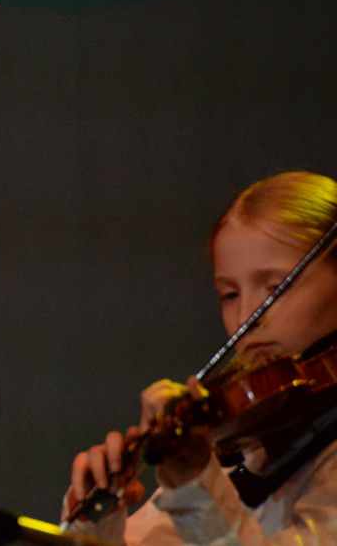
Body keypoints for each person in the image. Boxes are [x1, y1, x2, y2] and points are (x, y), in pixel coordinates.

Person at [63, 171, 337, 544]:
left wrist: (195, 486)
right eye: (229, 294)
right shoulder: (234, 450)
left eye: (276, 288)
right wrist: (96, 524)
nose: (246, 319)